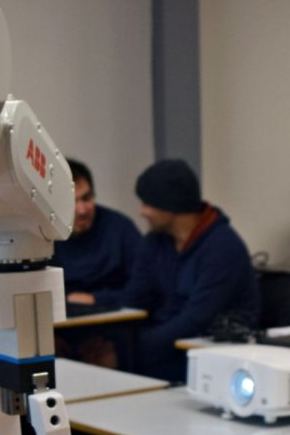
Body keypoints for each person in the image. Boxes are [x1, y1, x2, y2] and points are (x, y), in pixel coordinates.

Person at [74, 159, 259, 381]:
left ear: (172, 206)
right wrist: (108, 341)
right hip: (162, 349)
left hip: (204, 356)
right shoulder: (154, 242)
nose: (142, 212)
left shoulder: (223, 248)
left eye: (148, 204)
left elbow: (196, 320)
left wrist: (127, 354)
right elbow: (135, 301)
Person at [56, 159, 142, 297]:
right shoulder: (44, 234)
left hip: (118, 314)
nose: (82, 210)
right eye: (72, 202)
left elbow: (145, 288)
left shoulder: (120, 227)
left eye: (86, 198)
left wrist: (96, 299)